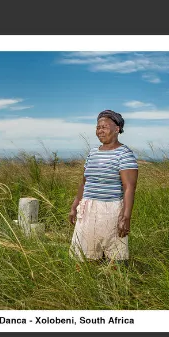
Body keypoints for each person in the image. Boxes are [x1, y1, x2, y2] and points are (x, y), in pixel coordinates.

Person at [69, 110, 139, 266]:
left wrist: (126, 217)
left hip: (111, 210)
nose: (100, 130)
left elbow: (129, 187)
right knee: (85, 258)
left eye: (105, 127)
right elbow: (84, 182)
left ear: (117, 129)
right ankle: (88, 288)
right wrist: (75, 205)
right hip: (87, 209)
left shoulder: (124, 154)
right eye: (98, 127)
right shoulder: (93, 153)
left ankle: (114, 288)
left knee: (114, 260)